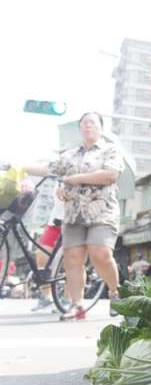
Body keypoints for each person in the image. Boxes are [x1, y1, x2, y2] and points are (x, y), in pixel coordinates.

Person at [27, 112, 124, 320]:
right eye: (84, 123)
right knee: (72, 259)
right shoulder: (71, 154)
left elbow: (110, 175)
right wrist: (19, 167)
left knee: (100, 254)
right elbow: (49, 168)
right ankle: (77, 305)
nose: (88, 126)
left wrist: (75, 179)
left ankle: (116, 292)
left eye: (92, 122)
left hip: (102, 212)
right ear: (80, 128)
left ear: (101, 128)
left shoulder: (110, 150)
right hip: (73, 214)